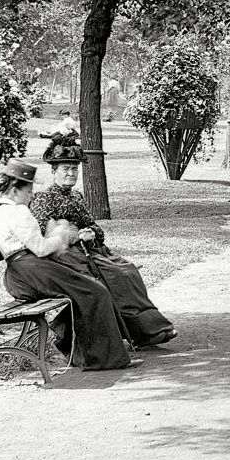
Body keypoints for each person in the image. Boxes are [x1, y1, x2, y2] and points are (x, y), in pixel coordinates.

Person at [30, 135, 175, 346]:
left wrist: (90, 232)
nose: (71, 173)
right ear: (53, 171)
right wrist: (73, 236)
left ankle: (144, 330)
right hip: (65, 258)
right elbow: (41, 233)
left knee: (128, 270)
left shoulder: (77, 196)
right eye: (65, 169)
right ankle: (144, 332)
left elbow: (95, 227)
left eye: (74, 169)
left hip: (89, 251)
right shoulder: (45, 198)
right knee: (116, 276)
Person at [0, 159, 134, 371]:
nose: (31, 196)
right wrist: (62, 236)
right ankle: (102, 359)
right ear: (14, 190)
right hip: (31, 272)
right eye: (28, 192)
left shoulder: (2, 211)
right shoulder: (18, 212)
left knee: (88, 289)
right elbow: (40, 248)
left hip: (22, 273)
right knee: (95, 292)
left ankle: (74, 348)